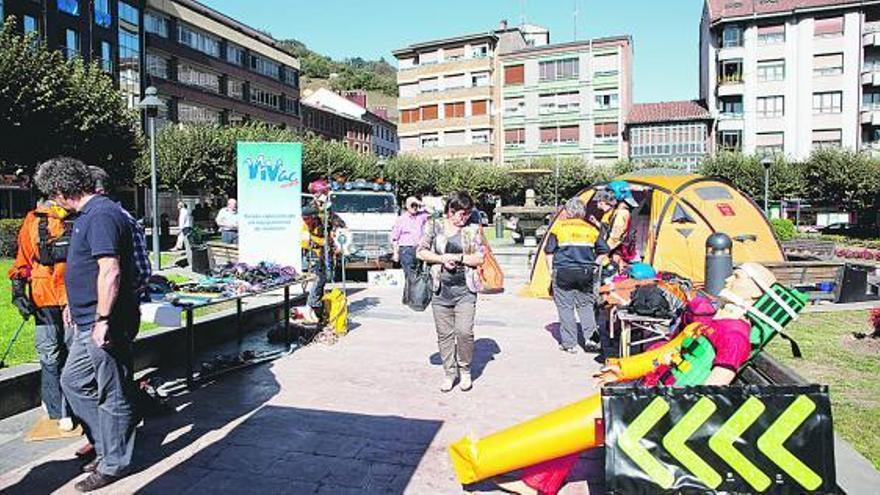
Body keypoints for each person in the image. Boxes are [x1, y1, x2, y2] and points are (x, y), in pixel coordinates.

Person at [34, 157, 140, 492]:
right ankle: (108, 443)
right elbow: (84, 268)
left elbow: (110, 271)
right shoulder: (86, 216)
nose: (53, 202)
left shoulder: (102, 215)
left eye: (52, 195)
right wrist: (73, 306)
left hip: (102, 321)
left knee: (112, 391)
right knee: (74, 382)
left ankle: (114, 462)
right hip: (84, 318)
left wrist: (103, 320)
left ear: (62, 190)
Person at [7, 198, 76, 434]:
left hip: (71, 297)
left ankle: (71, 407)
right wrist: (18, 292)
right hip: (44, 297)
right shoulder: (34, 220)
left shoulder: (78, 217)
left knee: (71, 352)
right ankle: (55, 407)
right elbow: (23, 258)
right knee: (50, 354)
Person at [417, 191, 485, 392]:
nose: (463, 218)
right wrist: (442, 258)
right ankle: (449, 373)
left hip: (465, 290)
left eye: (466, 214)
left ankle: (465, 369)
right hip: (440, 289)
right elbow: (421, 251)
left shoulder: (472, 230)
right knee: (444, 334)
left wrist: (461, 258)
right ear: (449, 211)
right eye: (459, 214)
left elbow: (480, 258)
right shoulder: (433, 226)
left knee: (464, 332)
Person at [544, 198, 609, 354]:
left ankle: (569, 344)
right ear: (583, 212)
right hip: (585, 273)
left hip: (563, 272)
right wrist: (595, 264)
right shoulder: (591, 229)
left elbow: (549, 251)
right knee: (586, 306)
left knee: (565, 307)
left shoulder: (558, 228)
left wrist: (551, 271)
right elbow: (604, 250)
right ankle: (592, 340)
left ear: (568, 211)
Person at [301, 180, 345, 323]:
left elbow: (339, 223)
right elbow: (311, 230)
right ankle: (310, 307)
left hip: (326, 250)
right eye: (325, 193)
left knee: (325, 278)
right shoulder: (310, 210)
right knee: (320, 279)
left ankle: (316, 310)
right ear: (318, 194)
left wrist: (338, 237)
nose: (327, 196)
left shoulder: (327, 209)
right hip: (315, 250)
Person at [391, 196, 428, 279]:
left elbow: (433, 212)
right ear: (407, 206)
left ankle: (416, 291)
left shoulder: (421, 216)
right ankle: (409, 291)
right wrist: (395, 253)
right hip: (406, 249)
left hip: (419, 248)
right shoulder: (401, 219)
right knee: (410, 276)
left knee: (419, 275)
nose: (414, 207)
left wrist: (420, 203)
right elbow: (395, 238)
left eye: (416, 205)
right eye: (412, 205)